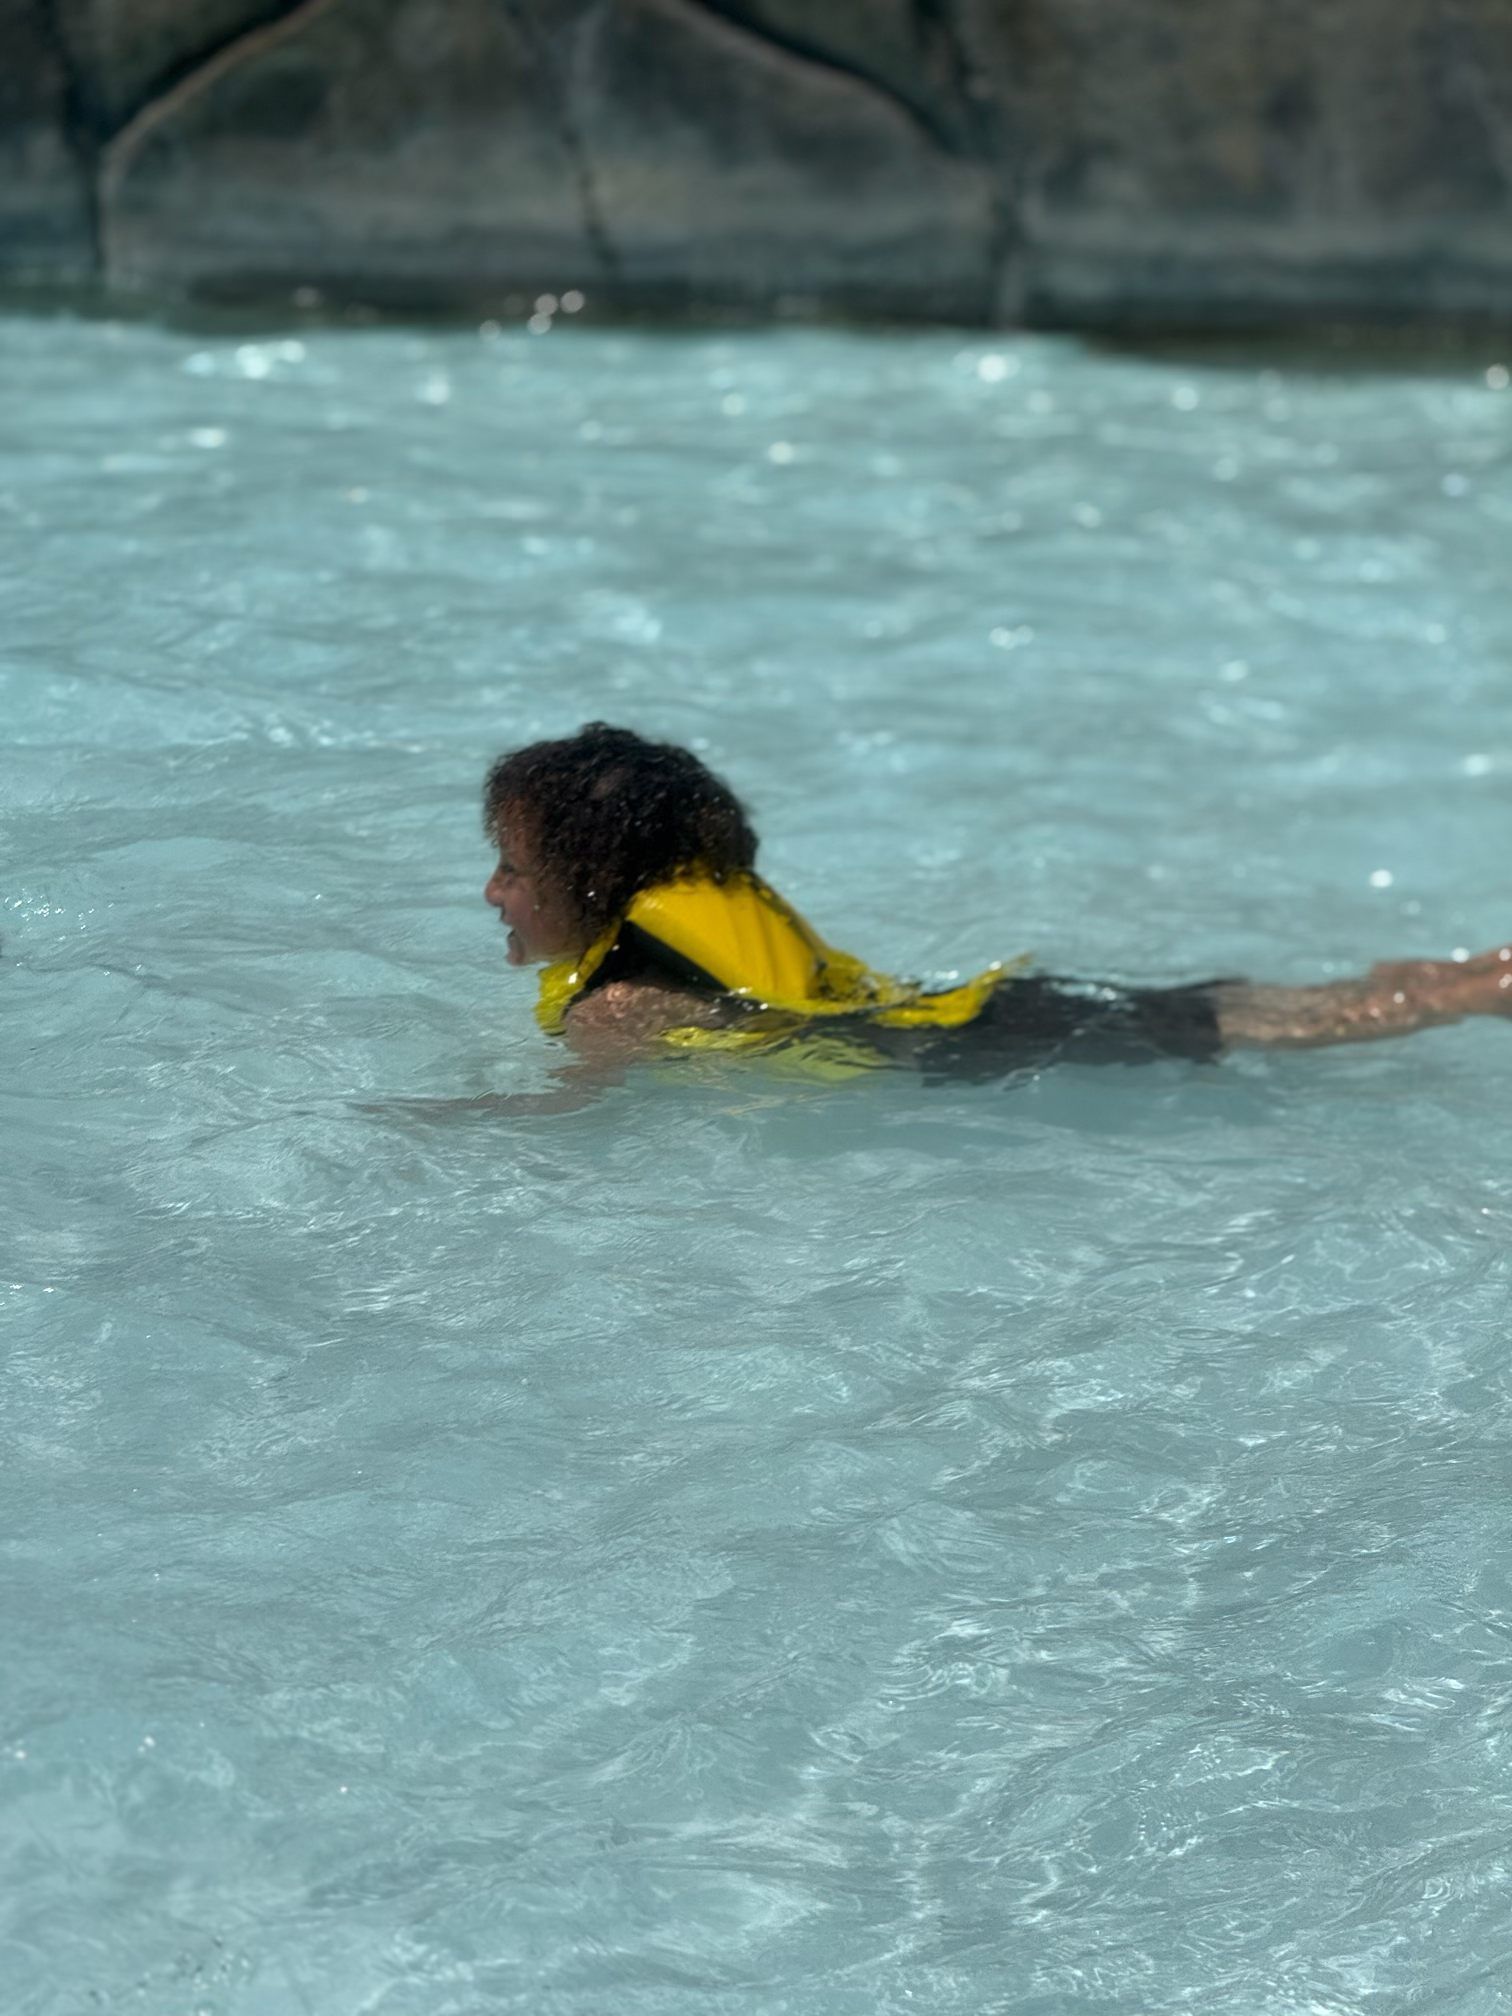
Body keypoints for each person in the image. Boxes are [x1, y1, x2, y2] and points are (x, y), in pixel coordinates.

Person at [482, 722, 1512, 1081]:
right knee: (1229, 1009)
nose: (493, 891)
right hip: (979, 1013)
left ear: (590, 886)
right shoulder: (671, 931)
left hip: (979, 1046)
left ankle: (1474, 989)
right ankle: (1447, 979)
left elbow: (579, 1120)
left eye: (514, 872)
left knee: (1256, 1025)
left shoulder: (614, 1006)